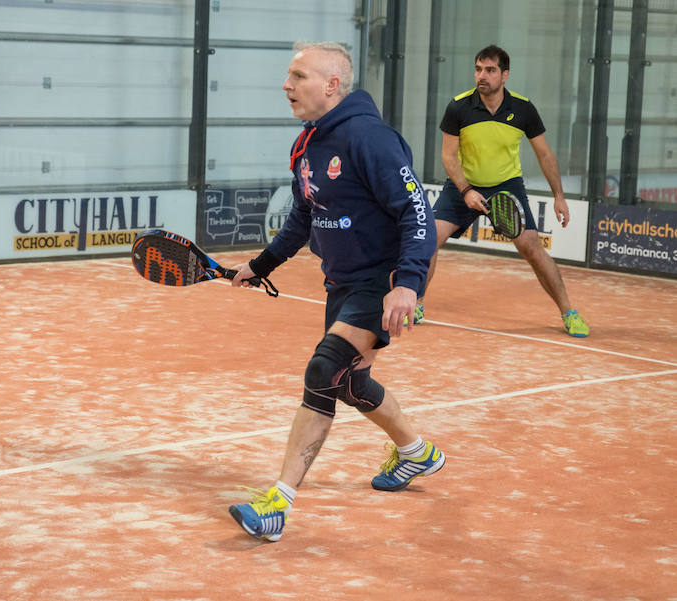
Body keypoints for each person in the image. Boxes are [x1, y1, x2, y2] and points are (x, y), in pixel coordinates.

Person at [226, 41, 444, 543]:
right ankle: (417, 453)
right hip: (341, 282)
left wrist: (408, 284)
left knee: (323, 369)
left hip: (382, 280)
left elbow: (418, 215)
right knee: (348, 383)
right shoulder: (309, 141)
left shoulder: (371, 139)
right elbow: (304, 215)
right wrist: (261, 265)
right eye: (288, 75)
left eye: (298, 76)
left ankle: (277, 503)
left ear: (331, 85)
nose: (286, 85)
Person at [414, 44, 589, 337]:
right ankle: (416, 303)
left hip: (507, 187)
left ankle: (569, 312)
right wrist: (466, 190)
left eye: (490, 70)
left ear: (504, 75)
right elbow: (448, 157)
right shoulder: (458, 106)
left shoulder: (523, 109)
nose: (482, 75)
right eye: (478, 69)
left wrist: (559, 195)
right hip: (462, 186)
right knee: (428, 240)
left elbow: (544, 154)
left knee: (531, 247)